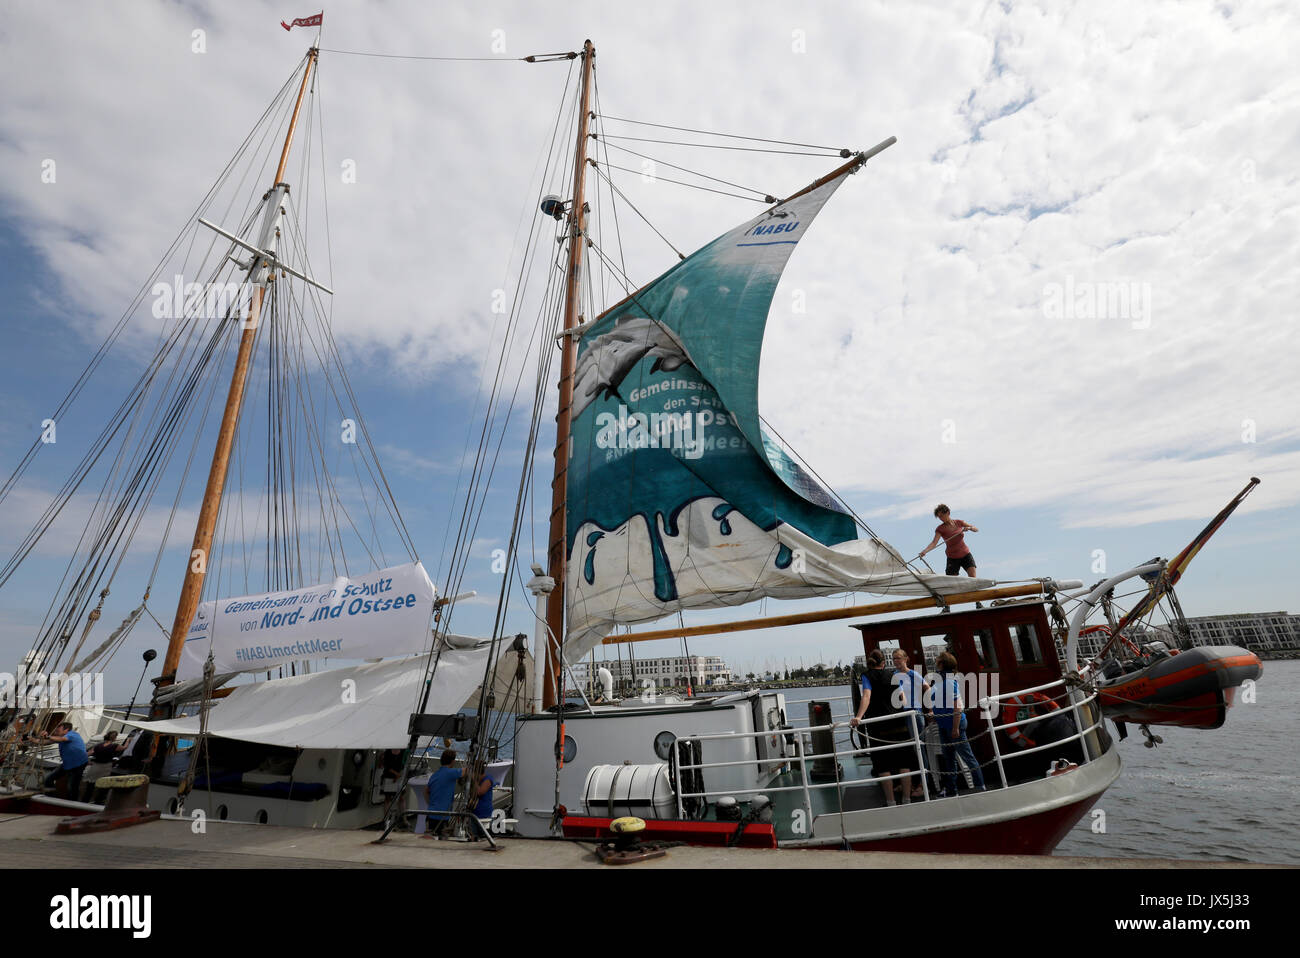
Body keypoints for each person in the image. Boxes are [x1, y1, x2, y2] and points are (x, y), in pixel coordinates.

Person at [850, 649, 910, 806]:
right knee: (904, 762)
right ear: (884, 663)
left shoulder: (867, 675)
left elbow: (866, 696)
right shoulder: (893, 675)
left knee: (883, 765)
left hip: (879, 727)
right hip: (899, 723)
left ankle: (891, 801)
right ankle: (907, 799)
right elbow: (902, 699)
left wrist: (859, 717)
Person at [930, 652, 986, 797]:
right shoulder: (940, 680)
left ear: (942, 663)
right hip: (943, 725)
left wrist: (955, 728)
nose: (935, 661)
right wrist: (935, 715)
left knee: (967, 757)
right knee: (949, 759)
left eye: (937, 660)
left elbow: (957, 707)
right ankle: (951, 790)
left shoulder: (949, 681)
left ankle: (980, 787)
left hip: (954, 726)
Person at [891, 648, 930, 799]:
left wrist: (930, 708)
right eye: (894, 659)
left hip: (915, 714)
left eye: (898, 658)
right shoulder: (893, 676)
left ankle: (923, 784)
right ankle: (909, 783)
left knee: (920, 749)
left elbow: (927, 688)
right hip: (901, 716)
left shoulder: (912, 674)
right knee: (907, 751)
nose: (896, 661)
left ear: (906, 659)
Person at [920, 504, 979, 578]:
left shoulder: (959, 522)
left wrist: (970, 528)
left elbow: (976, 529)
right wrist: (925, 551)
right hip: (952, 558)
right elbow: (934, 543)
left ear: (948, 513)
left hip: (965, 554)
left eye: (942, 515)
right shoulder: (940, 529)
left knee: (973, 578)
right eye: (939, 517)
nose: (941, 518)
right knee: (952, 581)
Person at [39, 722, 89, 798]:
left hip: (78, 764)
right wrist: (31, 739)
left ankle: (72, 804)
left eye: (59, 729)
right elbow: (45, 742)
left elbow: (63, 739)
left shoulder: (72, 734)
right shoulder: (60, 737)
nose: (57, 730)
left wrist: (48, 736)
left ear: (66, 730)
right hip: (67, 764)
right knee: (48, 780)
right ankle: (50, 797)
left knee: (72, 786)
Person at [81, 730, 126, 802]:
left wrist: (88, 761)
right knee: (102, 786)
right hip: (105, 767)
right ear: (114, 738)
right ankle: (98, 801)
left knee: (90, 786)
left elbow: (87, 754)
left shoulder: (98, 745)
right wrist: (128, 741)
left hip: (95, 766)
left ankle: (85, 800)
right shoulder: (115, 746)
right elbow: (124, 748)